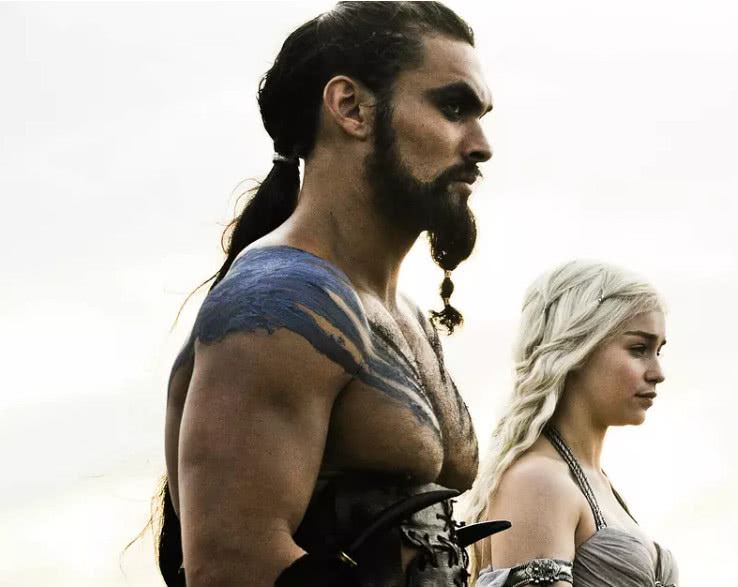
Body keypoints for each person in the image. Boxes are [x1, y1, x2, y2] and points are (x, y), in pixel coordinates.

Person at [156, 3, 507, 586]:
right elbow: (232, 569)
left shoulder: (405, 317)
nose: (481, 145)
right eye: (453, 109)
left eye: (481, 116)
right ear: (350, 107)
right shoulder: (282, 303)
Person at [465, 260, 680, 586]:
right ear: (577, 348)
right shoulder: (537, 481)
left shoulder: (594, 480)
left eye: (658, 351)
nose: (658, 373)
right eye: (639, 349)